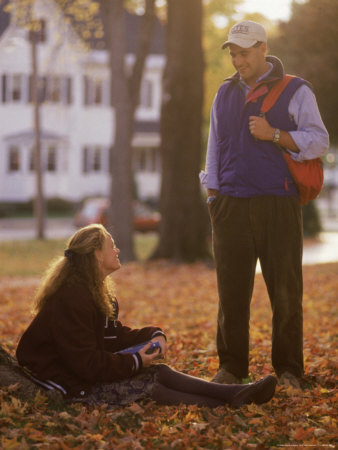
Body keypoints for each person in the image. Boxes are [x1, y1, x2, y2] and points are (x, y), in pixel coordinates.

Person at [16, 224, 277, 409]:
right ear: (96, 254)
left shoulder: (93, 291)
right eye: (112, 246)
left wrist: (154, 334)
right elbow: (87, 364)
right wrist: (135, 361)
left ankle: (236, 393)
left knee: (159, 371)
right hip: (61, 380)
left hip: (80, 369)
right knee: (150, 387)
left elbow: (112, 335)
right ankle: (232, 402)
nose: (117, 250)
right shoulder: (71, 298)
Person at [200, 21, 329, 389]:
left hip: (278, 201)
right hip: (230, 205)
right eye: (234, 54)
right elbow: (215, 144)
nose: (238, 60)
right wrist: (213, 193)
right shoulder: (224, 93)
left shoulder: (296, 90)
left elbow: (319, 141)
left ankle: (289, 370)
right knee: (231, 294)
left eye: (244, 53)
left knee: (286, 292)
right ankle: (231, 367)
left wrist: (274, 134)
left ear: (262, 48)